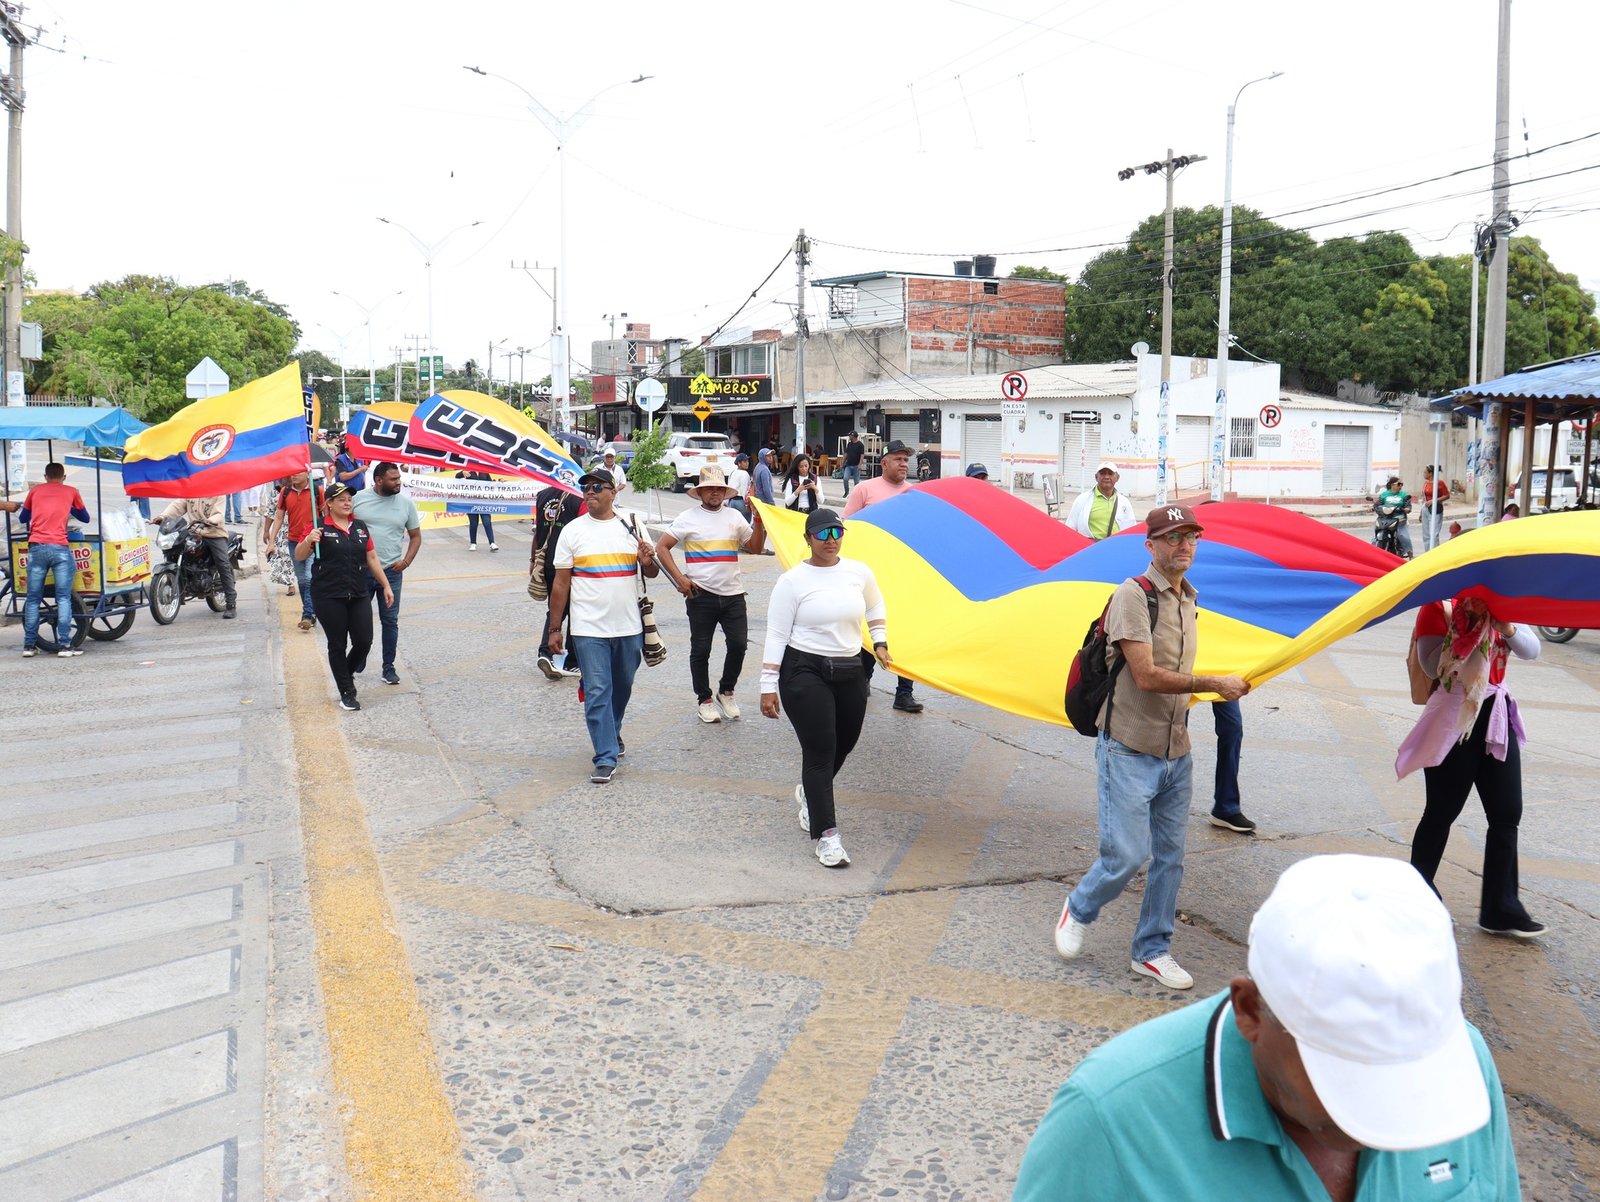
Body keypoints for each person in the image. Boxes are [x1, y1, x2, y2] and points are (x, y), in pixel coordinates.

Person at [1016, 854, 1520, 1202]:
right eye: (1346, 1071)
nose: (1384, 1118)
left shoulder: (1464, 1067)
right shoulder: (1110, 1121)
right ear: (1251, 1010)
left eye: (1408, 1075)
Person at [1054, 504, 1249, 990]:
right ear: (1151, 545)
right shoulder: (1133, 595)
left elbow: (1180, 669)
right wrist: (1214, 684)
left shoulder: (1189, 597)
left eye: (1191, 536)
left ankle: (1151, 950)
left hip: (1176, 750)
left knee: (1170, 858)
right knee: (1124, 855)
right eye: (1173, 537)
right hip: (1128, 746)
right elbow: (1146, 675)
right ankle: (1079, 908)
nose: (1184, 545)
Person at [1398, 594, 1546, 938]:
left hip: (1496, 713)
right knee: (1441, 812)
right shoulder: (1438, 607)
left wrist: (1506, 626)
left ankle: (1501, 909)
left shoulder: (1506, 603)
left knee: (1507, 813)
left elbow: (1532, 650)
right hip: (1454, 717)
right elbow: (1432, 666)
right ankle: (1418, 898)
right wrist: (1468, 626)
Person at [761, 508, 893, 868]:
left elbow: (875, 603)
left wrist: (880, 641)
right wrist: (767, 685)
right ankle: (828, 837)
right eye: (822, 534)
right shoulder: (792, 582)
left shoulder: (858, 572)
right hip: (804, 670)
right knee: (820, 750)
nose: (830, 540)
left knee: (845, 743)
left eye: (836, 532)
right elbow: (776, 634)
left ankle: (810, 793)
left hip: (850, 667)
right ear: (807, 539)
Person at [547, 467, 659, 784]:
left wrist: (647, 560)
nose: (590, 491)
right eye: (586, 487)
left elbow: (650, 573)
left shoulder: (632, 525)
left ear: (613, 492)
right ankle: (605, 756)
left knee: (622, 687)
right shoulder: (572, 531)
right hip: (588, 629)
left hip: (629, 627)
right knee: (597, 690)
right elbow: (561, 584)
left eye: (598, 487)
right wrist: (555, 629)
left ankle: (612, 729)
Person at [656, 466, 768, 724]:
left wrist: (759, 520)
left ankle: (726, 691)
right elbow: (661, 547)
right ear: (700, 492)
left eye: (719, 488)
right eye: (709, 488)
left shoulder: (735, 517)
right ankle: (704, 700)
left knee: (739, 645)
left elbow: (755, 547)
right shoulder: (687, 518)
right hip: (701, 595)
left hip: (734, 594)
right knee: (701, 649)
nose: (715, 492)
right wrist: (680, 579)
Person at [842, 439, 923, 714]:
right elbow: (846, 528)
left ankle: (904, 693)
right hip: (871, 575)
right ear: (884, 462)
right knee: (870, 630)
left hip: (904, 574)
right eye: (898, 459)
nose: (904, 464)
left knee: (907, 633)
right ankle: (863, 680)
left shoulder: (914, 494)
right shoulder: (864, 490)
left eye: (906, 460)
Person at [297, 483, 393, 712]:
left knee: (364, 641)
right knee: (337, 644)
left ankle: (345, 674)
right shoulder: (319, 527)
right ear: (329, 503)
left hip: (358, 592)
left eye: (349, 499)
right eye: (341, 499)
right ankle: (347, 692)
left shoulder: (359, 527)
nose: (347, 503)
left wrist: (386, 585)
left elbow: (372, 557)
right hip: (328, 595)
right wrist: (309, 540)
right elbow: (300, 555)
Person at [351, 462, 421, 687]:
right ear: (379, 480)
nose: (398, 482)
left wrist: (406, 561)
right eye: (393, 479)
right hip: (361, 571)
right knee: (358, 620)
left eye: (398, 478)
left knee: (390, 620)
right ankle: (360, 653)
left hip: (391, 572)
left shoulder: (406, 504)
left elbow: (416, 536)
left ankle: (388, 667)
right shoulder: (358, 499)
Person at [18, 462, 90, 657]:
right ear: (64, 476)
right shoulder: (71, 491)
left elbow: (23, 518)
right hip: (59, 548)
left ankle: (29, 646)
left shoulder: (35, 491)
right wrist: (68, 506)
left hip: (36, 548)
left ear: (45, 476)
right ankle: (65, 645)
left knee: (33, 598)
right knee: (63, 597)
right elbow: (85, 517)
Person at [151, 495, 237, 618]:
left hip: (214, 534)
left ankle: (231, 604)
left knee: (223, 564)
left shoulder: (218, 493)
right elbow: (178, 505)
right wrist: (162, 517)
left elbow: (219, 513)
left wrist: (211, 520)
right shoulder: (192, 491)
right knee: (176, 550)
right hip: (194, 532)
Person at [533, 482, 585, 680]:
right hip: (570, 563)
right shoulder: (579, 499)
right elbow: (584, 532)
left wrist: (533, 560)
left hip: (547, 560)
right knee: (575, 609)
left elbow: (538, 530)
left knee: (555, 607)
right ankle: (572, 662)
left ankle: (545, 653)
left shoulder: (542, 495)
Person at [262, 470, 323, 631]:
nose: (294, 476)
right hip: (294, 541)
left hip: (313, 541)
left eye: (298, 473)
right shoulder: (285, 491)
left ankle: (307, 615)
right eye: (292, 473)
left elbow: (326, 514)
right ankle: (311, 611)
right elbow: (279, 517)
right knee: (301, 580)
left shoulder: (317, 491)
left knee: (309, 577)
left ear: (307, 473)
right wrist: (271, 542)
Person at [1066, 461, 1135, 539]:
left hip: (1116, 545)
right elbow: (1070, 528)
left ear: (1117, 477)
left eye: (1110, 473)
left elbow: (1132, 530)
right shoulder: (1082, 500)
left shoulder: (1124, 502)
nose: (1106, 477)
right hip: (1091, 545)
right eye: (1102, 473)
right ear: (1096, 477)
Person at [455, 469, 498, 551]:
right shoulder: (467, 471)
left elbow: (491, 484)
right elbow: (457, 478)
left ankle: (492, 542)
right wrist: (462, 473)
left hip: (484, 502)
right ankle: (473, 543)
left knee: (487, 521)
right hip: (471, 502)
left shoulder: (484, 472)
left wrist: (500, 483)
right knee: (473, 523)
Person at [1373, 474, 1413, 557]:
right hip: (1385, 518)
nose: (1400, 486)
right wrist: (1373, 508)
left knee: (1403, 536)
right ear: (1392, 485)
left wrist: (1407, 508)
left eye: (1401, 484)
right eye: (1399, 484)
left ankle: (1411, 555)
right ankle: (1373, 554)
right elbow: (1378, 504)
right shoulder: (1384, 494)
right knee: (1374, 538)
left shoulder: (1404, 495)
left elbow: (1408, 505)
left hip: (1399, 519)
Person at [1422, 464, 1449, 551]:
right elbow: (1424, 497)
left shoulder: (1439, 483)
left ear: (1430, 473)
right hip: (1426, 508)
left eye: (1425, 472)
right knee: (1426, 534)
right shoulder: (1426, 483)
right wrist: (1421, 512)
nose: (1424, 474)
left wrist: (1434, 501)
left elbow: (1447, 495)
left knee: (1434, 533)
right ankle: (1427, 552)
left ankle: (1435, 552)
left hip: (1436, 508)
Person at [727, 452, 752, 520]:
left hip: (732, 501)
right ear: (739, 463)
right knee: (745, 523)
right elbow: (744, 490)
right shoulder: (745, 474)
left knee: (734, 522)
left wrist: (727, 502)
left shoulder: (733, 472)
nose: (747, 463)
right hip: (741, 501)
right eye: (744, 461)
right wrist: (747, 504)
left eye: (747, 461)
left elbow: (729, 487)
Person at [841, 432, 865, 497]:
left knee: (856, 481)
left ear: (854, 436)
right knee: (845, 478)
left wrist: (860, 464)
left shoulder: (860, 445)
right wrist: (843, 462)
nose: (849, 437)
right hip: (848, 465)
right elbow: (846, 453)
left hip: (856, 465)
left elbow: (862, 455)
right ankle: (846, 491)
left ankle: (856, 494)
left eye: (850, 436)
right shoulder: (849, 444)